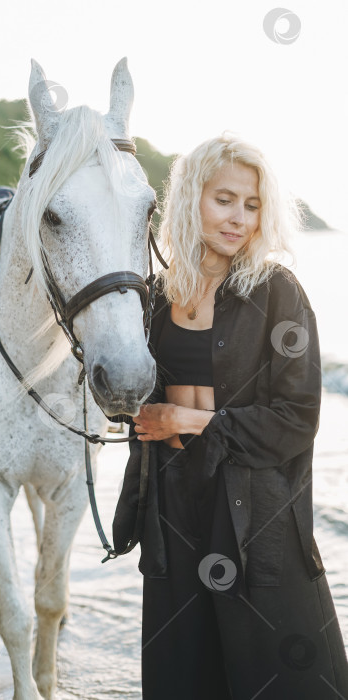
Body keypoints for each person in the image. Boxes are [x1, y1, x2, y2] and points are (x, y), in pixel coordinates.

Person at [112, 133, 348, 699]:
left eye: (252, 204)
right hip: (172, 503)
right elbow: (126, 395)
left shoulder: (277, 293)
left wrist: (189, 423)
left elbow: (296, 419)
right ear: (192, 198)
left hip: (253, 508)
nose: (239, 217)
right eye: (224, 200)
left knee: (275, 667)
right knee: (184, 666)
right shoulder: (153, 295)